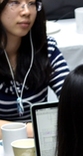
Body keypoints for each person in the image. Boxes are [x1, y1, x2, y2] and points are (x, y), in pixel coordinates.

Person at [0, 0, 68, 132]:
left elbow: (73, 98)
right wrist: (33, 130)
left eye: (32, 3)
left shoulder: (44, 48)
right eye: (15, 2)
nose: (26, 11)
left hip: (40, 144)